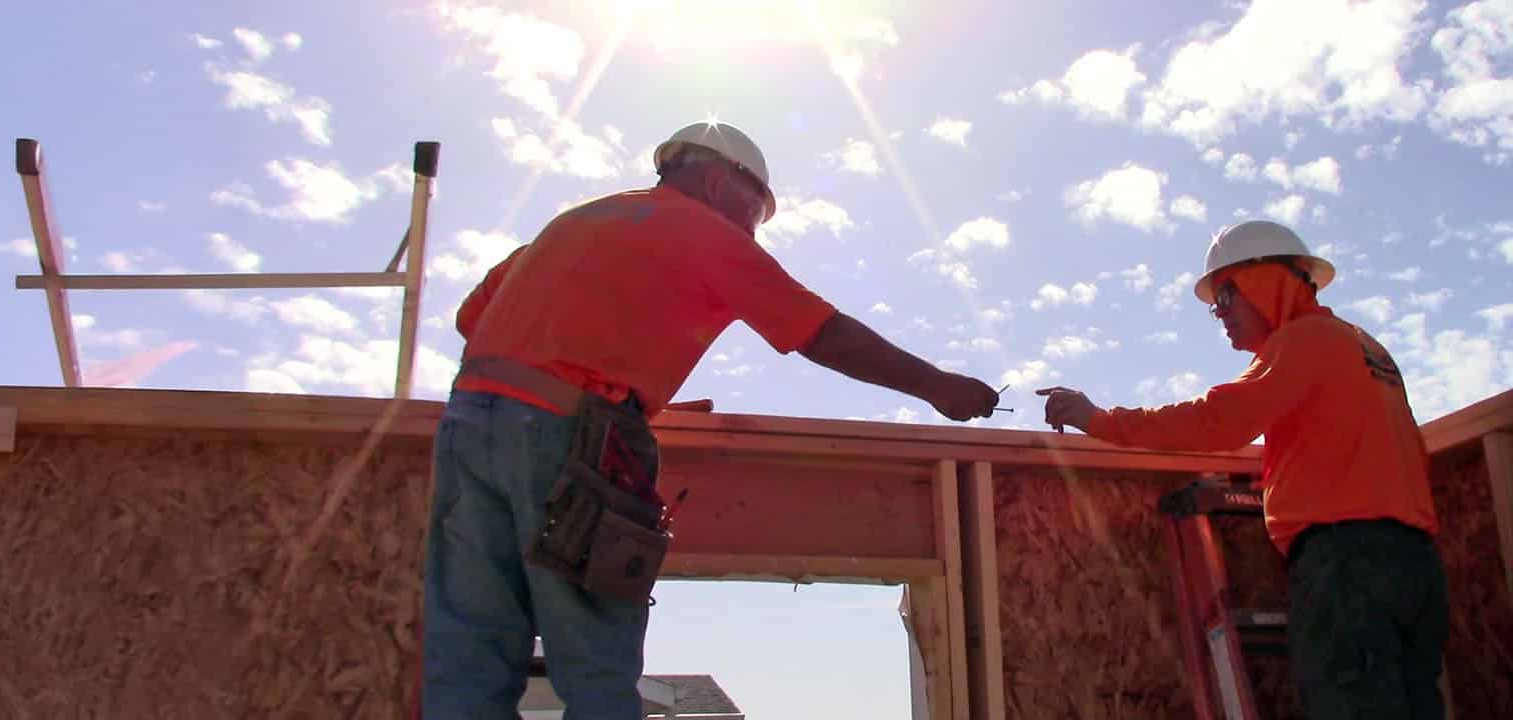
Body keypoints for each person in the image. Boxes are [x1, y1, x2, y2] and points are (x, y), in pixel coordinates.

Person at [420, 120, 1003, 719]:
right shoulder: (706, 232)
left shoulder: (576, 221)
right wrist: (935, 384)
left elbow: (474, 318)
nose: (753, 226)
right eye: (758, 208)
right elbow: (820, 332)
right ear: (723, 182)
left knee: (471, 650)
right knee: (594, 657)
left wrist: (619, 380)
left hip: (469, 424)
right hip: (573, 440)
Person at [1037, 219, 1447, 719]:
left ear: (1265, 282)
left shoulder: (1304, 341)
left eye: (1226, 298)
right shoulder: (1363, 346)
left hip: (1347, 564)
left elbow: (1217, 421)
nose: (1220, 316)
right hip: (1412, 564)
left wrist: (1095, 418)